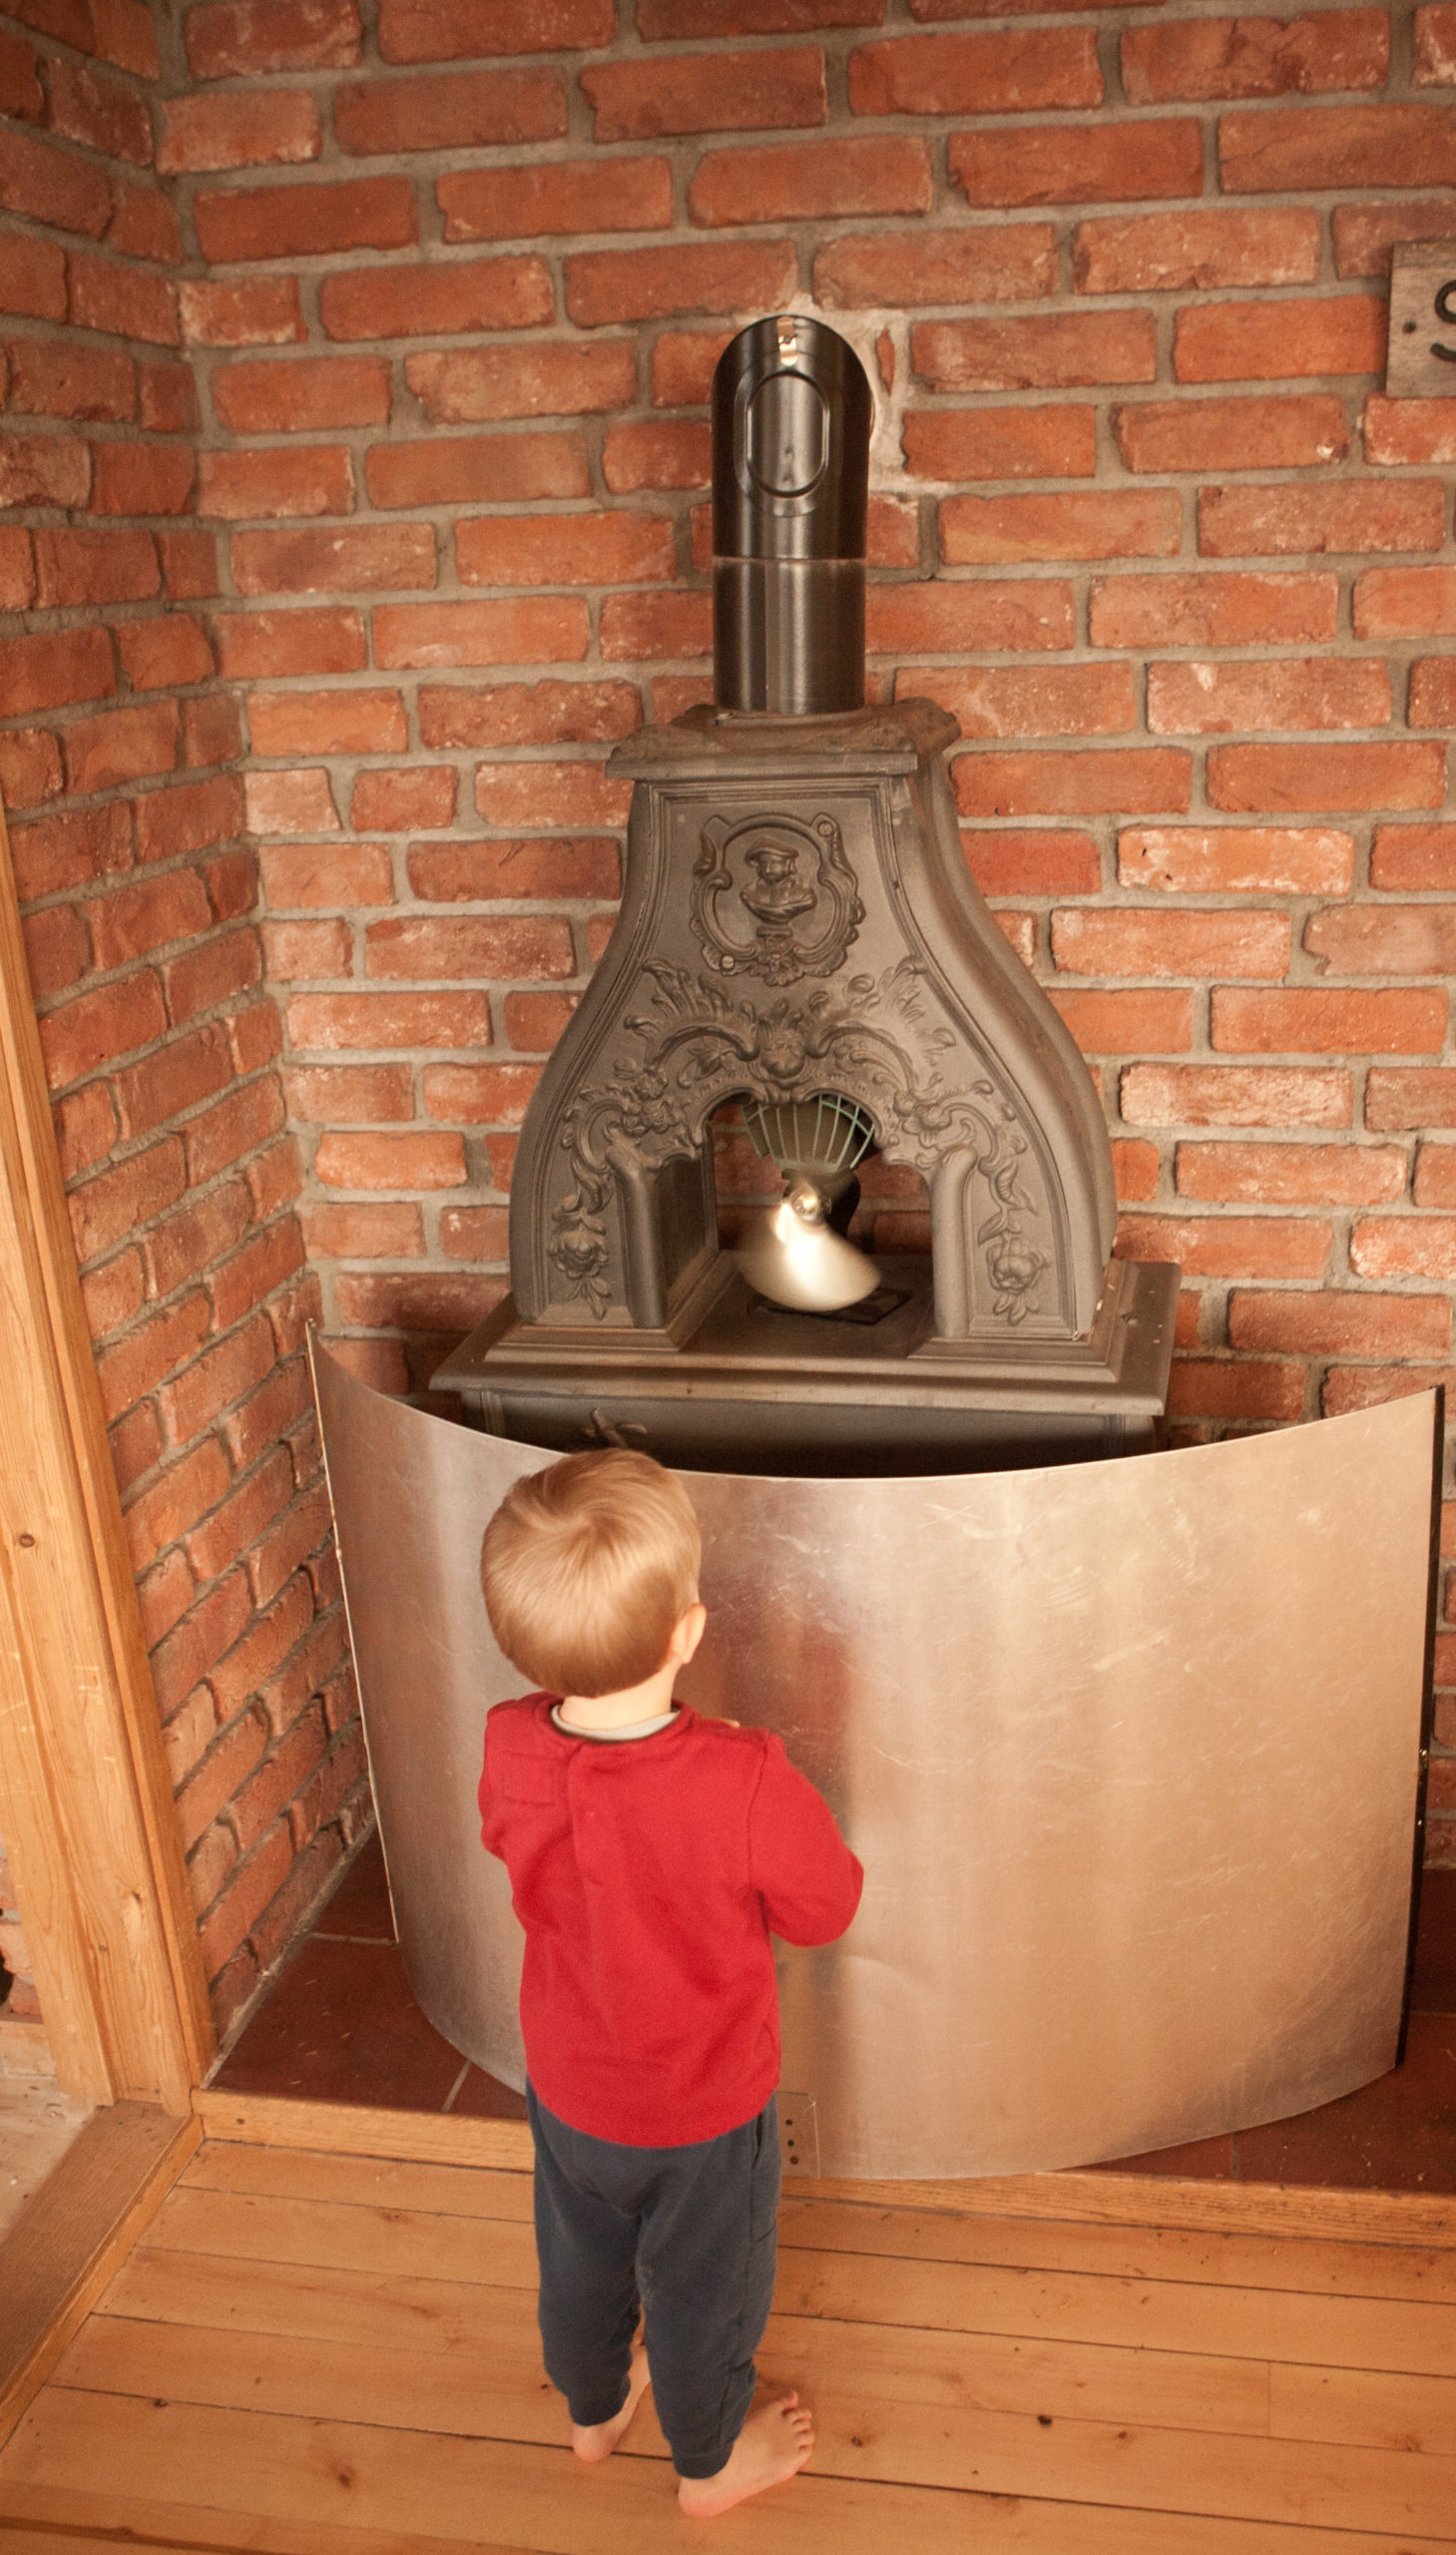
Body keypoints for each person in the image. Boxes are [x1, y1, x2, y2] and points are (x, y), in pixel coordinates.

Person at [478, 1446, 863, 2518]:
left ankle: (593, 2412)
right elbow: (826, 1907)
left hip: (569, 2084)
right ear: (688, 1632)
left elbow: (538, 1836)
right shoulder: (742, 1777)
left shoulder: (508, 1745)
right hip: (700, 2108)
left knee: (581, 2260)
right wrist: (748, 1781)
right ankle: (707, 2466)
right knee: (704, 2291)